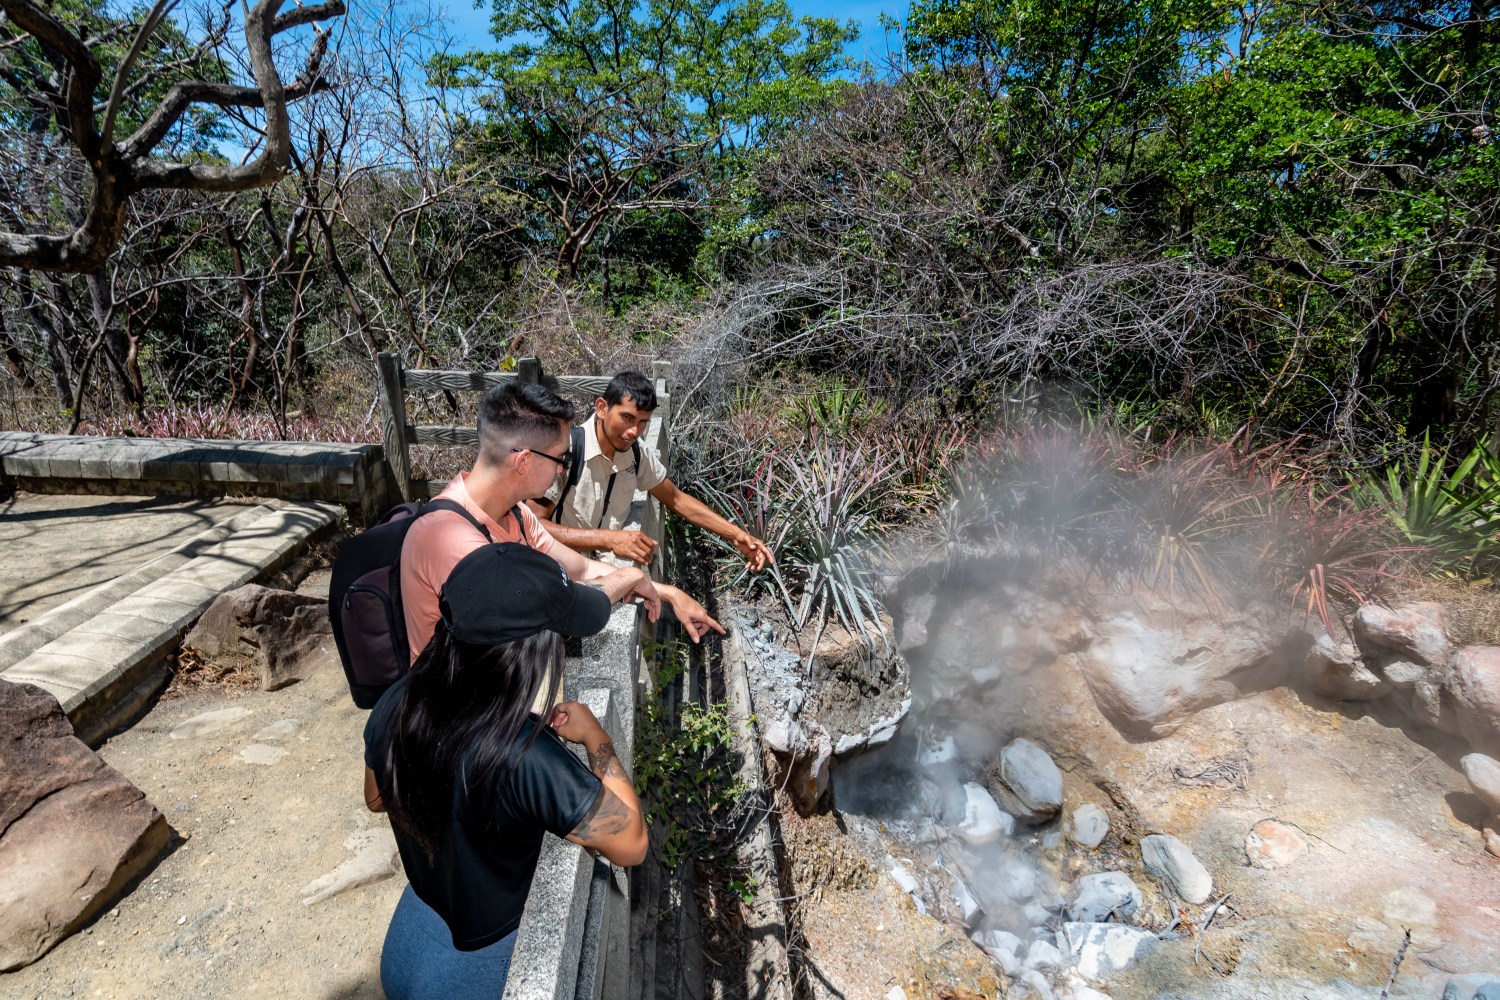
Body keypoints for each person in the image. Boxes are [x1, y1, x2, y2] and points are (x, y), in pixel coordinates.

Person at [364, 541, 647, 1000]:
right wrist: (598, 739)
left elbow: (376, 798)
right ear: (529, 652)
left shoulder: (399, 701)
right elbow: (631, 842)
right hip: (477, 968)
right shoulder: (522, 754)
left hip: (410, 937)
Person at [400, 379, 723, 671]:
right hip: (448, 717)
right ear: (524, 461)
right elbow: (575, 609)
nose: (562, 471)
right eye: (562, 460)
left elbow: (580, 570)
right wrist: (632, 575)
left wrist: (669, 593)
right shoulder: (449, 540)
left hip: (496, 701)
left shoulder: (517, 515)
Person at [530, 371, 775, 572]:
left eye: (642, 422)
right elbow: (533, 525)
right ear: (602, 408)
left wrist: (736, 535)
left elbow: (677, 500)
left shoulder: (636, 453)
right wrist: (609, 539)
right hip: (554, 572)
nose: (633, 431)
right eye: (627, 417)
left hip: (599, 575)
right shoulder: (567, 451)